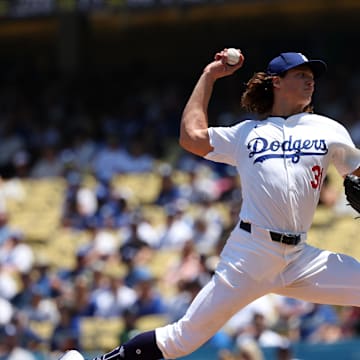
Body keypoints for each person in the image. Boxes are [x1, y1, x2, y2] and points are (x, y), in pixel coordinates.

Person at [59, 49, 360, 360]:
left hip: (300, 257)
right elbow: (191, 137)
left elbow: (357, 172)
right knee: (182, 339)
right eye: (301, 75)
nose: (310, 82)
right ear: (277, 82)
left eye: (312, 77)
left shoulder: (327, 129)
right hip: (251, 253)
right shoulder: (246, 133)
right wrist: (209, 76)